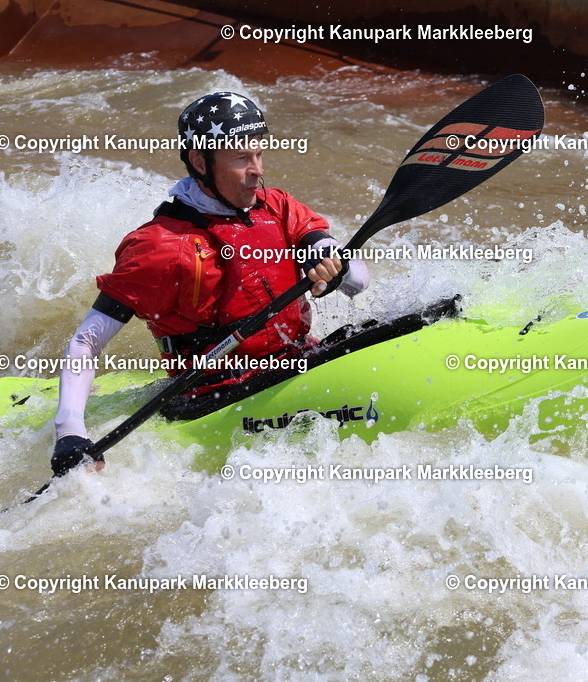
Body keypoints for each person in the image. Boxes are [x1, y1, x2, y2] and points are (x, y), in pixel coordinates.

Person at [51, 91, 369, 476]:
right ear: (200, 162)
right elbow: (87, 341)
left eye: (259, 155)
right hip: (215, 393)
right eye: (240, 158)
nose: (257, 170)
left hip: (297, 359)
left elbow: (359, 283)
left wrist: (327, 256)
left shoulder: (276, 207)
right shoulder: (159, 247)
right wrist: (69, 432)